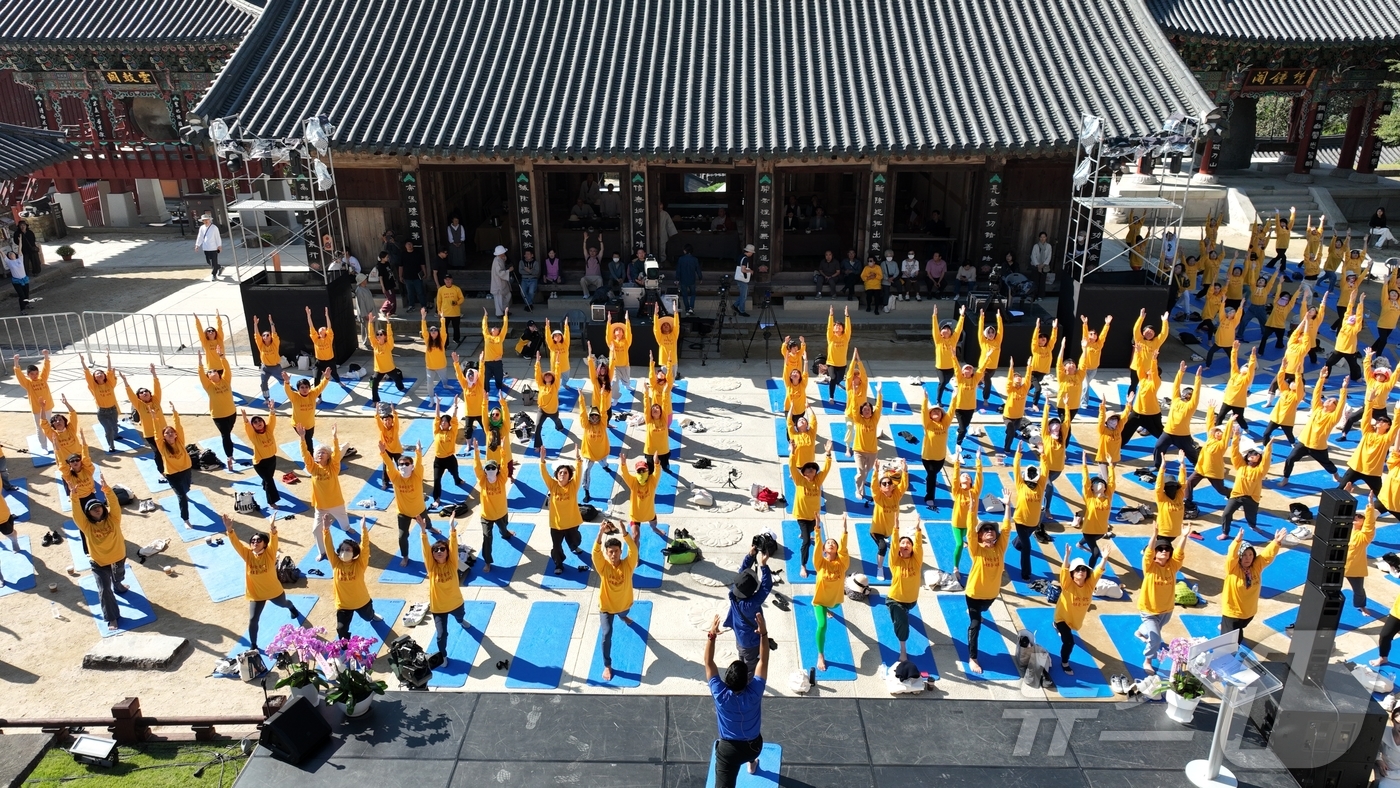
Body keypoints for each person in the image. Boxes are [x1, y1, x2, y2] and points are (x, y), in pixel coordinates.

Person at [704, 607, 769, 788]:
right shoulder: (755, 690)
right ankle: (752, 764)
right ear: (746, 681)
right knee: (751, 748)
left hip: (729, 753)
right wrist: (763, 634)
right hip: (753, 747)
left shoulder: (720, 694)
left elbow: (708, 662)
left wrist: (712, 635)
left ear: (727, 681)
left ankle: (750, 763)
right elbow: (763, 660)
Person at [227, 517, 305, 650]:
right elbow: (237, 544)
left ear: (264, 543)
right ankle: (254, 645)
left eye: (258, 540)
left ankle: (292, 608)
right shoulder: (247, 555)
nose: (255, 542)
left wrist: (272, 527)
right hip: (256, 594)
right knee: (253, 619)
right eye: (253, 540)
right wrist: (229, 530)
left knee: (284, 604)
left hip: (274, 591)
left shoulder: (269, 553)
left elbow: (274, 539)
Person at [72, 482, 128, 628]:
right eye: (93, 509)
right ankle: (112, 617)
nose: (97, 510)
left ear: (103, 508)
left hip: (118, 558)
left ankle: (119, 585)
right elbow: (76, 514)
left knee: (118, 577)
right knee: (104, 590)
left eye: (98, 507)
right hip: (99, 563)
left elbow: (114, 504)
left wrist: (107, 490)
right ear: (88, 513)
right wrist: (74, 496)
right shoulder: (86, 526)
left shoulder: (114, 519)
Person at [966, 507, 1012, 675]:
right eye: (985, 529)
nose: (989, 531)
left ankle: (977, 613)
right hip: (974, 594)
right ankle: (973, 657)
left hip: (991, 595)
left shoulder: (999, 549)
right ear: (980, 535)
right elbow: (970, 531)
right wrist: (972, 511)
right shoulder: (976, 549)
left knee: (982, 611)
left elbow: (1006, 529)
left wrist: (1007, 505)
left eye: (992, 529)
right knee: (975, 625)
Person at [1280, 371, 1347, 484]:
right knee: (1290, 459)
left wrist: (1344, 389)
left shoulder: (1332, 417)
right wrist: (1321, 378)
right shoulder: (1317, 409)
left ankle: (1335, 474)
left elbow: (1341, 406)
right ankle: (1286, 478)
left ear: (1334, 407)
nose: (1328, 400)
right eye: (1328, 399)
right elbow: (1316, 394)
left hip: (1318, 447)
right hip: (1303, 442)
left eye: (1332, 401)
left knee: (1327, 463)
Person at [593, 521, 639, 682]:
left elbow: (633, 549)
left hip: (624, 605)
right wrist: (600, 534)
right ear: (607, 553)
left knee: (623, 613)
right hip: (606, 607)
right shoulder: (603, 567)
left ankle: (622, 616)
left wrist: (625, 533)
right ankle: (607, 665)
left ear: (621, 552)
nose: (613, 554)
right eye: (610, 552)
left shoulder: (628, 565)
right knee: (606, 634)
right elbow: (595, 553)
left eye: (616, 551)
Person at [1052, 542, 1108, 675]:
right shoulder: (1068, 584)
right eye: (1077, 569)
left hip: (1075, 620)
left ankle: (1058, 628)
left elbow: (1098, 572)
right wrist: (1067, 556)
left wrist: (1104, 558)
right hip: (1062, 618)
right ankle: (1065, 662)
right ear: (1072, 573)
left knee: (1070, 635)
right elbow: (1064, 570)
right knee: (1069, 642)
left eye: (1083, 569)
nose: (1081, 571)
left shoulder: (1089, 585)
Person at [417, 517, 464, 668]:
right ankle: (443, 655)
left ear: (447, 552)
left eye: (442, 549)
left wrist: (452, 529)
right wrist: (423, 531)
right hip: (439, 608)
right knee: (441, 635)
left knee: (460, 616)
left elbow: (454, 546)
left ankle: (461, 620)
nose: (439, 551)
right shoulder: (431, 567)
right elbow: (425, 551)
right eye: (436, 550)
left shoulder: (452, 563)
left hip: (456, 602)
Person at [1221, 529, 1283, 641]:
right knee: (1232, 643)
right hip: (1232, 613)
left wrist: (1276, 542)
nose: (1248, 558)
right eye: (1244, 555)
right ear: (1239, 556)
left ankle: (1226, 627)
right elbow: (1231, 556)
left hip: (1249, 613)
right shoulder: (1232, 569)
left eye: (1250, 554)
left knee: (1239, 627)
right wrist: (1237, 541)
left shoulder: (1256, 567)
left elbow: (1266, 556)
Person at [1138, 539, 1187, 673]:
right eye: (1160, 549)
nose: (1164, 551)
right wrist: (1154, 535)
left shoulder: (1173, 566)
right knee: (1156, 638)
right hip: (1149, 609)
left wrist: (1184, 536)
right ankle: (1147, 660)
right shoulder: (1149, 566)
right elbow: (1148, 553)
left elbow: (1179, 554)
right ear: (1155, 552)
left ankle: (1139, 632)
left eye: (1167, 549)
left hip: (1166, 609)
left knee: (1156, 629)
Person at [380, 442, 429, 567]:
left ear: (411, 466)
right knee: (402, 537)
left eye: (407, 464)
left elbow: (419, 463)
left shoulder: (417, 476)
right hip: (403, 513)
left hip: (419, 509)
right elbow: (389, 465)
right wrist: (383, 453)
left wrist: (418, 453)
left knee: (428, 525)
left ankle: (431, 528)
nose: (403, 466)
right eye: (401, 464)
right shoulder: (395, 477)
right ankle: (405, 556)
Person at [811, 517, 850, 672]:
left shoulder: (842, 564)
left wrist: (844, 529)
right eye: (828, 543)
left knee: (834, 605)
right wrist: (818, 529)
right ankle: (820, 654)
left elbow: (844, 549)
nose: (831, 544)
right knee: (822, 625)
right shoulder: (820, 563)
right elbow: (816, 548)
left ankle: (828, 610)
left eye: (834, 543)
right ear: (825, 549)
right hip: (820, 601)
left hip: (834, 600)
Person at [1219, 434, 1274, 539]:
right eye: (1252, 454)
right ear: (1247, 456)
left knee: (1251, 516)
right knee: (1226, 514)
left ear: (1259, 459)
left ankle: (1252, 525)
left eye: (1257, 455)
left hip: (1252, 497)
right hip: (1236, 495)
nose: (1254, 456)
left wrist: (1268, 447)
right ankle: (1225, 532)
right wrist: (1235, 437)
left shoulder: (1260, 471)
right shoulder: (1240, 466)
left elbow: (1266, 461)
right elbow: (1234, 453)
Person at [541, 449, 587, 575]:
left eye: (565, 473)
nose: (562, 474)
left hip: (572, 522)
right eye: (560, 472)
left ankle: (573, 546)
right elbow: (544, 475)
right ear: (556, 475)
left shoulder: (573, 486)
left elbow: (579, 473)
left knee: (575, 539)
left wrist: (578, 460)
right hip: (557, 525)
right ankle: (559, 564)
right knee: (556, 547)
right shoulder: (553, 485)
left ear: (569, 475)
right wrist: (542, 461)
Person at [885, 517, 924, 663]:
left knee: (904, 615)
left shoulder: (916, 561)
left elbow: (919, 547)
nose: (905, 544)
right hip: (895, 599)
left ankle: (901, 614)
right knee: (902, 624)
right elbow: (894, 545)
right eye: (903, 542)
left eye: (908, 542)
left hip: (911, 601)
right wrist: (896, 529)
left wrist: (918, 531)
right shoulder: (895, 562)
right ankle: (903, 650)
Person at [1010, 449, 1046, 581]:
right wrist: (1018, 454)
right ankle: (1026, 572)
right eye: (1029, 473)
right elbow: (1016, 468)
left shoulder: (1040, 487)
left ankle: (1016, 543)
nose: (1031, 475)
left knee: (1022, 542)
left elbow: (1045, 469)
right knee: (1027, 547)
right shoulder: (1021, 485)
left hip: (1033, 523)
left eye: (1033, 473)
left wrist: (1042, 455)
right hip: (1020, 521)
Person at [155, 407, 194, 526]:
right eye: (167, 433)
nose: (170, 434)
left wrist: (174, 413)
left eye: (172, 432)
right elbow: (156, 433)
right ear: (164, 437)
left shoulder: (180, 441)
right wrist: (154, 419)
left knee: (186, 489)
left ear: (176, 434)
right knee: (181, 496)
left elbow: (179, 426)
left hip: (186, 470)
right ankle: (186, 519)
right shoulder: (162, 447)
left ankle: (185, 492)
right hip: (172, 475)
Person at [869, 462, 908, 581]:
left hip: (889, 530)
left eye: (889, 483)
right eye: (884, 483)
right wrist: (875, 472)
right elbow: (873, 487)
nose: (887, 485)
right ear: (880, 487)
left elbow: (904, 486)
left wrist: (905, 472)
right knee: (882, 547)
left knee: (897, 547)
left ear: (892, 486)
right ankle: (880, 568)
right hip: (877, 530)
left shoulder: (896, 495)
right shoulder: (878, 497)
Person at [119, 364, 164, 466]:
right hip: (150, 433)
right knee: (158, 452)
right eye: (141, 392)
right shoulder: (139, 405)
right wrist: (125, 381)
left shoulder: (156, 400)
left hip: (163, 430)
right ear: (139, 397)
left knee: (168, 450)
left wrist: (153, 373)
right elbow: (130, 395)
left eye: (146, 391)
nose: (144, 393)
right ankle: (162, 471)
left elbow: (157, 387)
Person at [1342, 413, 1395, 499]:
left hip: (1372, 473)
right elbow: (1366, 418)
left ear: (1388, 426)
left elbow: (1396, 426)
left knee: (1382, 498)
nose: (1380, 421)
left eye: (1384, 421)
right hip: (1356, 468)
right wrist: (1369, 402)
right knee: (1340, 489)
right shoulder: (1367, 432)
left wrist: (1398, 411)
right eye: (1379, 419)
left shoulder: (1387, 439)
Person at [1077, 454, 1113, 569]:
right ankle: (1090, 571)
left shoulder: (1108, 497)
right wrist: (1084, 464)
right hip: (1088, 530)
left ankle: (1080, 544)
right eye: (1096, 483)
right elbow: (1085, 481)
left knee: (1091, 541)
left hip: (1101, 531)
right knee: (1096, 553)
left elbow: (1112, 482)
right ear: (1092, 488)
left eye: (1102, 482)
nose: (1100, 483)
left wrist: (1111, 465)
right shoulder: (1089, 498)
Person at [14, 350, 53, 451]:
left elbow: (46, 368)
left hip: (48, 406)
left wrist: (46, 355)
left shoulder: (42, 379)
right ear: (28, 375)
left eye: (36, 373)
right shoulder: (28, 383)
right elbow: (19, 375)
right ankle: (43, 446)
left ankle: (53, 443)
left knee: (49, 425)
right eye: (32, 374)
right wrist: (16, 361)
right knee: (40, 427)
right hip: (37, 410)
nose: (35, 376)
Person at [847, 392, 883, 501]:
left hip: (872, 451)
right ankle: (859, 490)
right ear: (861, 412)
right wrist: (853, 393)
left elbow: (879, 407)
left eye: (868, 409)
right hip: (859, 450)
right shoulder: (858, 420)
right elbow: (854, 407)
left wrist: (879, 393)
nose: (866, 411)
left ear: (871, 412)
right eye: (864, 410)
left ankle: (861, 481)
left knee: (867, 471)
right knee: (861, 472)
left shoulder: (874, 420)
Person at [919, 391, 952, 507]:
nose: (936, 412)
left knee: (933, 475)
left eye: (938, 411)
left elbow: (952, 412)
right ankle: (929, 497)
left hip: (940, 457)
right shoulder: (928, 424)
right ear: (930, 414)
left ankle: (930, 479)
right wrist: (925, 399)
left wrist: (954, 397)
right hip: (927, 457)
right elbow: (923, 412)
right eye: (934, 411)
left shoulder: (945, 424)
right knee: (932, 476)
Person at [366, 315, 407, 404]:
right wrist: (370, 323)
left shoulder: (389, 345)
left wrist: (388, 322)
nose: (379, 336)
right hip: (379, 369)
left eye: (381, 334)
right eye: (378, 334)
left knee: (397, 379)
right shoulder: (375, 345)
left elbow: (390, 335)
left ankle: (401, 388)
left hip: (390, 368)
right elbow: (370, 335)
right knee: (374, 385)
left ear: (384, 336)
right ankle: (375, 401)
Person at [85, 354, 121, 452]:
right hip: (102, 412)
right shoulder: (94, 386)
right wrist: (83, 362)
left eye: (101, 373)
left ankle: (116, 436)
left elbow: (109, 371)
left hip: (113, 410)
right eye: (97, 374)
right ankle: (111, 446)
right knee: (108, 429)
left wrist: (108, 358)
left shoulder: (110, 384)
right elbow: (87, 375)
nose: (100, 374)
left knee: (114, 426)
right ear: (95, 378)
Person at [931, 306, 963, 403]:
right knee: (942, 382)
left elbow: (959, 329)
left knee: (946, 382)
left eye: (948, 329)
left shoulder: (953, 340)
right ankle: (938, 400)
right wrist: (934, 316)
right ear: (941, 332)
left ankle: (943, 387)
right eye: (944, 329)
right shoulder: (938, 340)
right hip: (940, 367)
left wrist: (962, 316)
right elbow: (935, 328)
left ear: (951, 332)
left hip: (951, 367)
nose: (946, 330)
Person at [1027, 319, 1057, 410]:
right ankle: (1034, 404)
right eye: (1040, 338)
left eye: (1044, 339)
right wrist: (1037, 328)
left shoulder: (1049, 348)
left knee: (1029, 387)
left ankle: (1019, 394)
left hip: (1042, 373)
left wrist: (1054, 328)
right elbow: (1033, 339)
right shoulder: (1035, 348)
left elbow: (1053, 339)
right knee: (1038, 388)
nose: (1042, 339)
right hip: (1033, 372)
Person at [824, 307, 851, 402]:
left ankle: (834, 382)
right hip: (831, 363)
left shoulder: (845, 337)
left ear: (843, 328)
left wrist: (847, 316)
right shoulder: (831, 337)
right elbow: (829, 327)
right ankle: (831, 396)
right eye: (836, 326)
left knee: (838, 379)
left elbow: (849, 328)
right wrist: (831, 315)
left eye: (840, 326)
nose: (838, 327)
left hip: (842, 363)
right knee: (833, 378)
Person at [251, 316, 282, 400]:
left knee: (284, 382)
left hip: (276, 367)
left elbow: (274, 334)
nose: (265, 336)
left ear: (270, 336)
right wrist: (255, 324)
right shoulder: (261, 345)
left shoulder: (275, 344)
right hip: (265, 368)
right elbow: (256, 335)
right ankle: (267, 398)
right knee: (263, 383)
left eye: (267, 335)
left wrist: (271, 323)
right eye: (263, 335)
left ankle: (293, 392)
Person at [606, 313, 633, 398]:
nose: (618, 331)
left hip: (625, 365)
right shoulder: (611, 342)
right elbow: (607, 334)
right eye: (616, 330)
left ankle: (627, 385)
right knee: (614, 382)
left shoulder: (626, 342)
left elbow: (629, 333)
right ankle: (615, 397)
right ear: (614, 333)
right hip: (614, 367)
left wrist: (627, 320)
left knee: (627, 380)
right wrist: (609, 321)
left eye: (620, 329)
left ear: (622, 333)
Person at [399, 240, 427, 310]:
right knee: (410, 292)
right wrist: (400, 276)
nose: (409, 246)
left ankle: (423, 306)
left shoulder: (418, 254)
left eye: (410, 244)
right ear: (405, 246)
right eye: (408, 244)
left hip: (417, 276)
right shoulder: (403, 254)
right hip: (407, 277)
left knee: (420, 292)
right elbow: (400, 266)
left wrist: (425, 272)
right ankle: (411, 305)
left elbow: (422, 264)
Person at [194, 213, 222, 279]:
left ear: (209, 220)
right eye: (204, 220)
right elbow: (200, 237)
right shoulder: (202, 228)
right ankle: (219, 267)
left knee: (214, 261)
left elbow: (218, 237)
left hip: (214, 247)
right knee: (209, 261)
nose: (205, 221)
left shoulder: (214, 228)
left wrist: (219, 245)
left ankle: (214, 275)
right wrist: (197, 245)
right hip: (206, 247)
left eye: (207, 220)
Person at [675, 245, 702, 314]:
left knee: (684, 295)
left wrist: (677, 279)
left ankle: (687, 309)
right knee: (693, 294)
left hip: (683, 279)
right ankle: (691, 307)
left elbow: (678, 270)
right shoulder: (695, 259)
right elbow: (698, 269)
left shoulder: (681, 259)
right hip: (692, 279)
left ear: (685, 251)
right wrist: (700, 278)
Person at [488, 244, 511, 317]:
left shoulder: (500, 259)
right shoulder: (496, 261)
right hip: (498, 283)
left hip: (502, 283)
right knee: (499, 299)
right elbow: (499, 273)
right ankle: (499, 313)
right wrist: (508, 271)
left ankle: (505, 310)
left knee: (507, 296)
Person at [1030, 231, 1052, 299]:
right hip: (1036, 266)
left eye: (1044, 237)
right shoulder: (1036, 246)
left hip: (1044, 266)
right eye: (1041, 237)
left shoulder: (1048, 246)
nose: (1042, 238)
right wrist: (1038, 265)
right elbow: (1033, 256)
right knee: (1035, 281)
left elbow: (1049, 256)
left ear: (1046, 238)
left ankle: (1041, 295)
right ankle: (1034, 295)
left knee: (1042, 282)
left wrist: (1043, 265)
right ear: (1039, 238)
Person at [734, 247, 754, 317]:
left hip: (739, 278)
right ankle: (742, 310)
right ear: (748, 252)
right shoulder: (745, 259)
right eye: (751, 252)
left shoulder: (740, 256)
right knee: (744, 295)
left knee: (744, 293)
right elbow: (743, 270)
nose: (752, 254)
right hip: (742, 279)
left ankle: (735, 305)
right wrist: (750, 271)